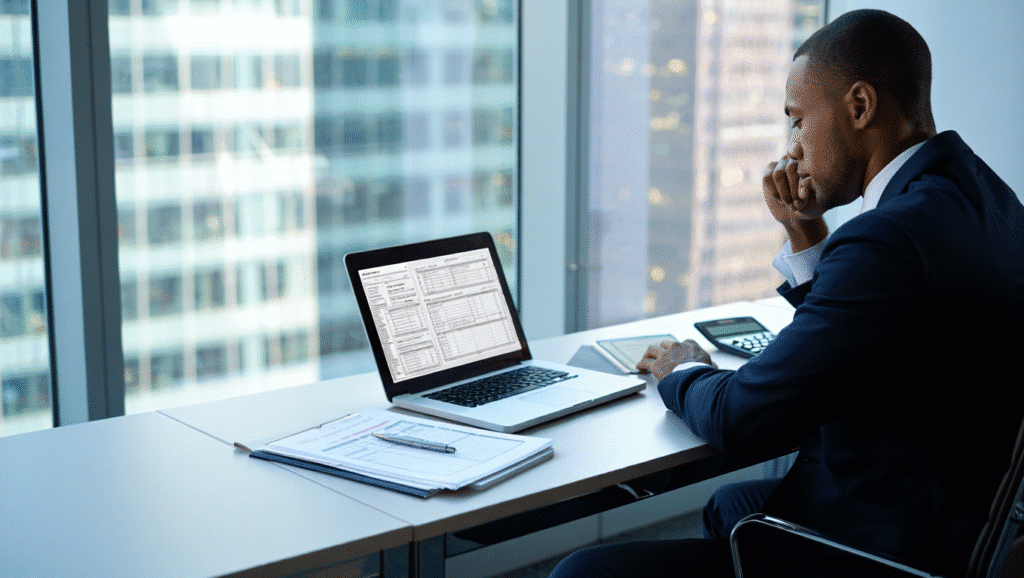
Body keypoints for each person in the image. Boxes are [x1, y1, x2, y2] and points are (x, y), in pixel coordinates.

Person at [549, 8, 1024, 578]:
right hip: (949, 514)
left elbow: (740, 418)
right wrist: (804, 233)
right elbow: (873, 328)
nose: (793, 147)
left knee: (582, 571)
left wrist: (682, 371)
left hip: (877, 546)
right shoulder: (988, 198)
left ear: (860, 106)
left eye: (798, 120)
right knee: (731, 505)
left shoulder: (887, 238)